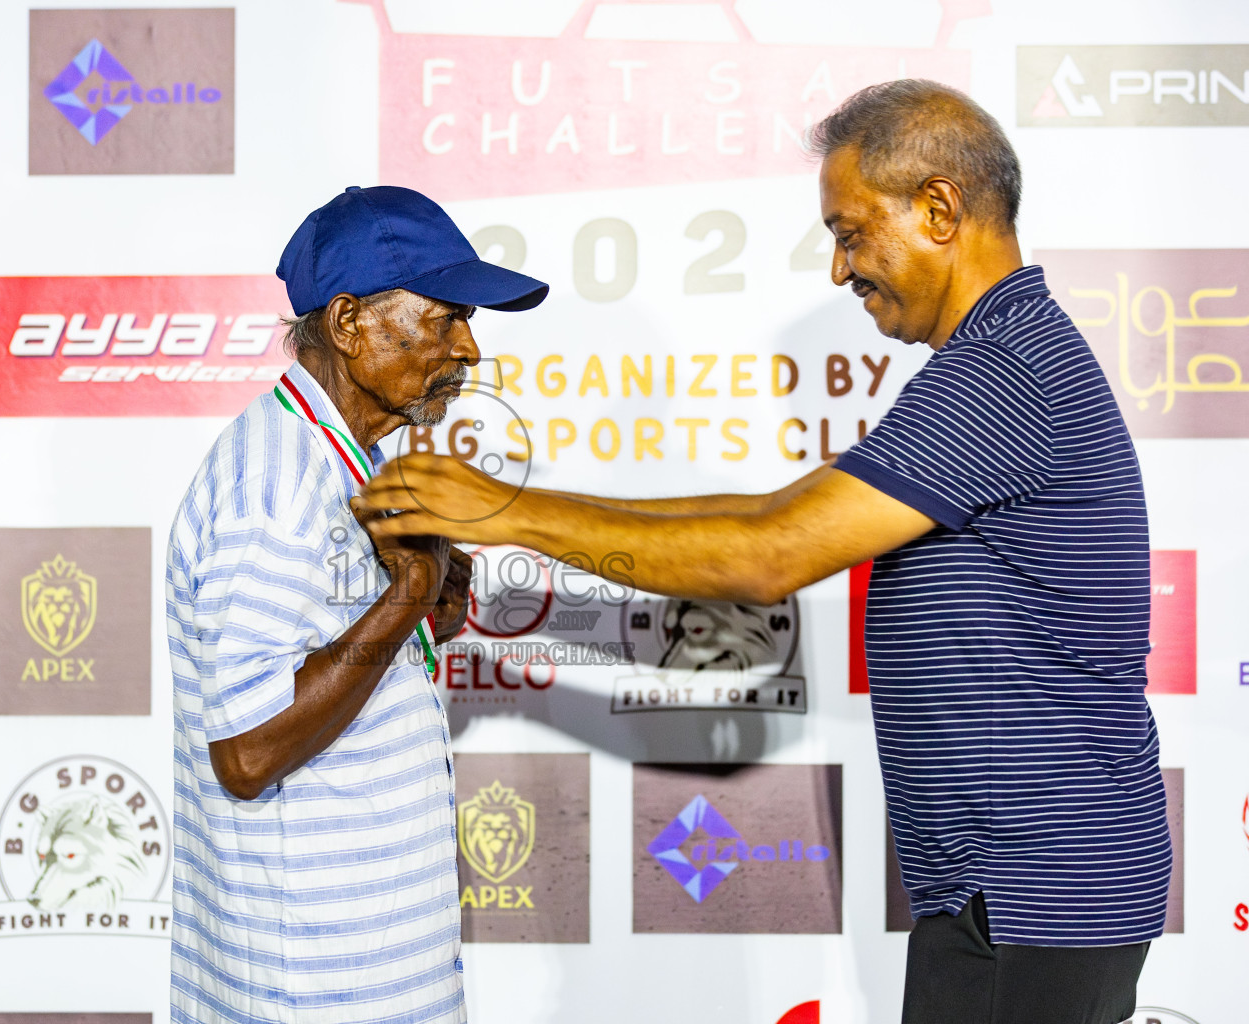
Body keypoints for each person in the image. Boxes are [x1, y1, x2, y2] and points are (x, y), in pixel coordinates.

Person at [359, 82, 1170, 1024]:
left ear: (940, 209)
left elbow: (766, 554)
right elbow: (776, 511)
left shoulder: (1005, 371)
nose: (840, 271)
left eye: (852, 232)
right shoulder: (994, 359)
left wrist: (506, 512)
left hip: (1034, 895)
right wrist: (515, 511)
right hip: (1020, 889)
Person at [167, 185, 548, 1024]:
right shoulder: (274, 483)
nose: (471, 348)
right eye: (445, 318)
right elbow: (247, 750)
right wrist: (406, 597)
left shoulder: (349, 460)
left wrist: (428, 604)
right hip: (309, 989)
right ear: (348, 324)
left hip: (365, 974)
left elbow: (331, 664)